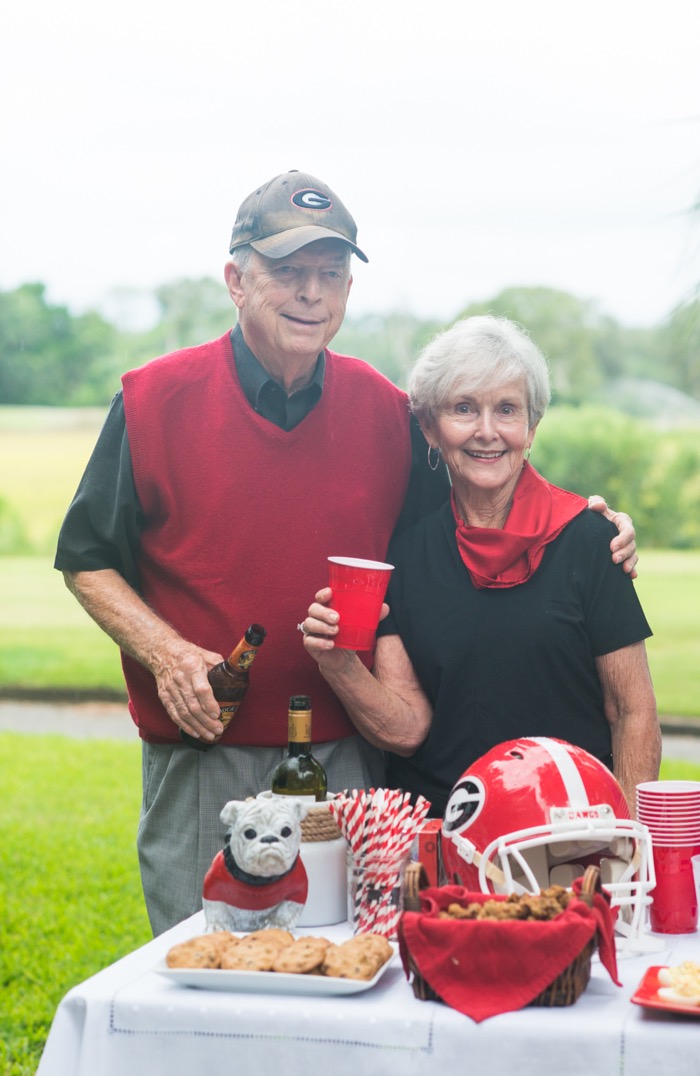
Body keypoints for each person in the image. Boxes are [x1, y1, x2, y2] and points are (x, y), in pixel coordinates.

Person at [54, 173, 637, 934]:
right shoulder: (151, 398)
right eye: (287, 271)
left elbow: (480, 499)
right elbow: (85, 557)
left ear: (349, 289)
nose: (310, 293)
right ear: (236, 280)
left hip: (355, 756)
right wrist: (166, 654)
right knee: (201, 970)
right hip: (205, 755)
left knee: (351, 966)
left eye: (329, 274)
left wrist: (588, 522)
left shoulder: (387, 412)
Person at [301, 315, 660, 819]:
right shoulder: (403, 556)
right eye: (464, 408)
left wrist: (624, 841)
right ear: (429, 427)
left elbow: (632, 712)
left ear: (532, 428)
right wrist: (337, 663)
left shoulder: (591, 540)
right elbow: (407, 730)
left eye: (507, 410)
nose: (487, 432)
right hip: (443, 837)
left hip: (570, 834)